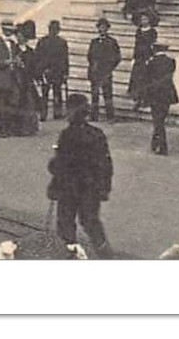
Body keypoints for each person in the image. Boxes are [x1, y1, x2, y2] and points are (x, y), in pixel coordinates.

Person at [48, 92, 113, 257]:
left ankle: (72, 254)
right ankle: (105, 254)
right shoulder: (97, 134)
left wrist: (53, 182)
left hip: (69, 189)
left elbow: (60, 165)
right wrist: (104, 188)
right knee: (91, 221)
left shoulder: (67, 135)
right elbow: (106, 164)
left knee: (65, 224)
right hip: (91, 188)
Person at [0, 20, 21, 138]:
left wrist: (17, 62)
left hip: (13, 77)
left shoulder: (13, 44)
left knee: (12, 103)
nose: (10, 33)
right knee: (2, 104)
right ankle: (3, 129)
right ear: (4, 30)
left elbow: (17, 57)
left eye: (11, 31)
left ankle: (10, 127)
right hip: (1, 77)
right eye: (8, 30)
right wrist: (5, 62)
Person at [144, 41, 179, 155]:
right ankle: (155, 143)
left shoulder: (151, 62)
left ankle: (162, 146)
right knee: (161, 119)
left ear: (154, 49)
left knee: (157, 120)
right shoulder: (171, 61)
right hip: (167, 93)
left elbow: (147, 79)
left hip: (155, 94)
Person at [86, 17, 122, 123]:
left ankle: (110, 116)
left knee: (107, 95)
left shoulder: (112, 42)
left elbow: (117, 57)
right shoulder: (94, 42)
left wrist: (110, 67)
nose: (102, 29)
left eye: (104, 27)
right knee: (94, 95)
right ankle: (94, 116)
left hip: (106, 72)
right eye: (100, 27)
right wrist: (93, 66)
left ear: (107, 28)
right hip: (95, 72)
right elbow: (89, 55)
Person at [34, 19, 70, 121]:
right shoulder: (42, 41)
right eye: (52, 29)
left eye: (55, 30)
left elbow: (65, 58)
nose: (53, 31)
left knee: (57, 93)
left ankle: (57, 113)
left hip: (57, 71)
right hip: (45, 71)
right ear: (49, 29)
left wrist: (65, 73)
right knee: (44, 94)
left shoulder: (62, 42)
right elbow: (37, 57)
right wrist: (39, 71)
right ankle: (43, 113)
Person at [128, 11, 158, 108]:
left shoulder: (152, 31)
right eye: (142, 19)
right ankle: (137, 99)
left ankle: (146, 100)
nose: (143, 21)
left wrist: (151, 57)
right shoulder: (138, 31)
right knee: (137, 79)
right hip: (139, 58)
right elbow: (136, 45)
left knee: (146, 79)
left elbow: (152, 45)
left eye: (145, 19)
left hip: (147, 57)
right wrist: (134, 57)